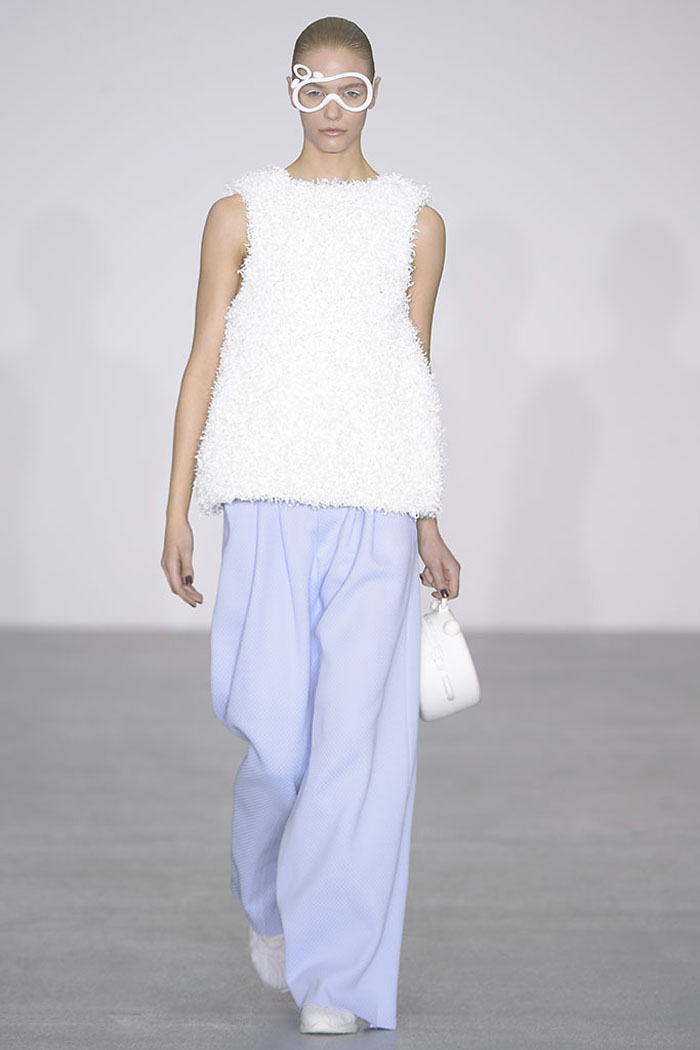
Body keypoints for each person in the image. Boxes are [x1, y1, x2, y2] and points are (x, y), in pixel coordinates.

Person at [160, 15, 460, 1036]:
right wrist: (177, 507)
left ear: (376, 91)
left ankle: (335, 980)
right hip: (267, 496)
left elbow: (411, 373)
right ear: (289, 91)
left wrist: (426, 518)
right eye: (313, 87)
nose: (332, 107)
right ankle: (271, 904)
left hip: (375, 503)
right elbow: (203, 359)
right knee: (278, 751)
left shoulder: (415, 222)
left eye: (350, 89)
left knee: (356, 756)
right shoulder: (240, 212)